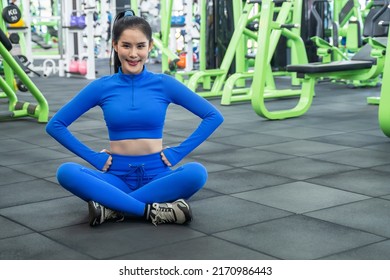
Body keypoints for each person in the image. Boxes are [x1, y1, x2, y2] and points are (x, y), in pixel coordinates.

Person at [45, 10, 224, 227]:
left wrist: (178, 152)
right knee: (67, 172)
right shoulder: (102, 87)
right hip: (115, 176)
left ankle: (111, 208)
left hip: (158, 174)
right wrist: (94, 158)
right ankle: (149, 210)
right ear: (115, 46)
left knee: (196, 173)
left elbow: (213, 116)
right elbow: (55, 125)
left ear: (150, 46)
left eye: (140, 46)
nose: (133, 54)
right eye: (126, 46)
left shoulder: (164, 83)